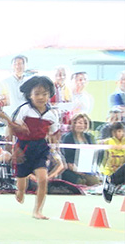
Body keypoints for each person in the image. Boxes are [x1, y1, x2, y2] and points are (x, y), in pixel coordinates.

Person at [10, 76, 60, 220]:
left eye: (44, 94)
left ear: (49, 95)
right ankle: (20, 191)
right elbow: (14, 126)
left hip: (41, 148)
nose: (41, 97)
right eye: (37, 93)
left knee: (43, 179)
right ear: (29, 95)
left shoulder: (52, 114)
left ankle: (37, 210)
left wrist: (54, 142)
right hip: (23, 148)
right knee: (21, 181)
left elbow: (54, 132)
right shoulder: (24, 109)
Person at [60, 113, 99, 186]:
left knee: (95, 181)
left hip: (86, 168)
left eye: (84, 123)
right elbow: (67, 158)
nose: (81, 125)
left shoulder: (88, 137)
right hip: (71, 169)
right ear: (74, 124)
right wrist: (77, 170)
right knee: (80, 182)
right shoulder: (68, 137)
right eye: (79, 123)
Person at [50, 67, 72, 131]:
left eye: (64, 75)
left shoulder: (67, 89)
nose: (62, 77)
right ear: (54, 76)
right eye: (59, 75)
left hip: (65, 119)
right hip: (53, 118)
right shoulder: (50, 88)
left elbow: (69, 104)